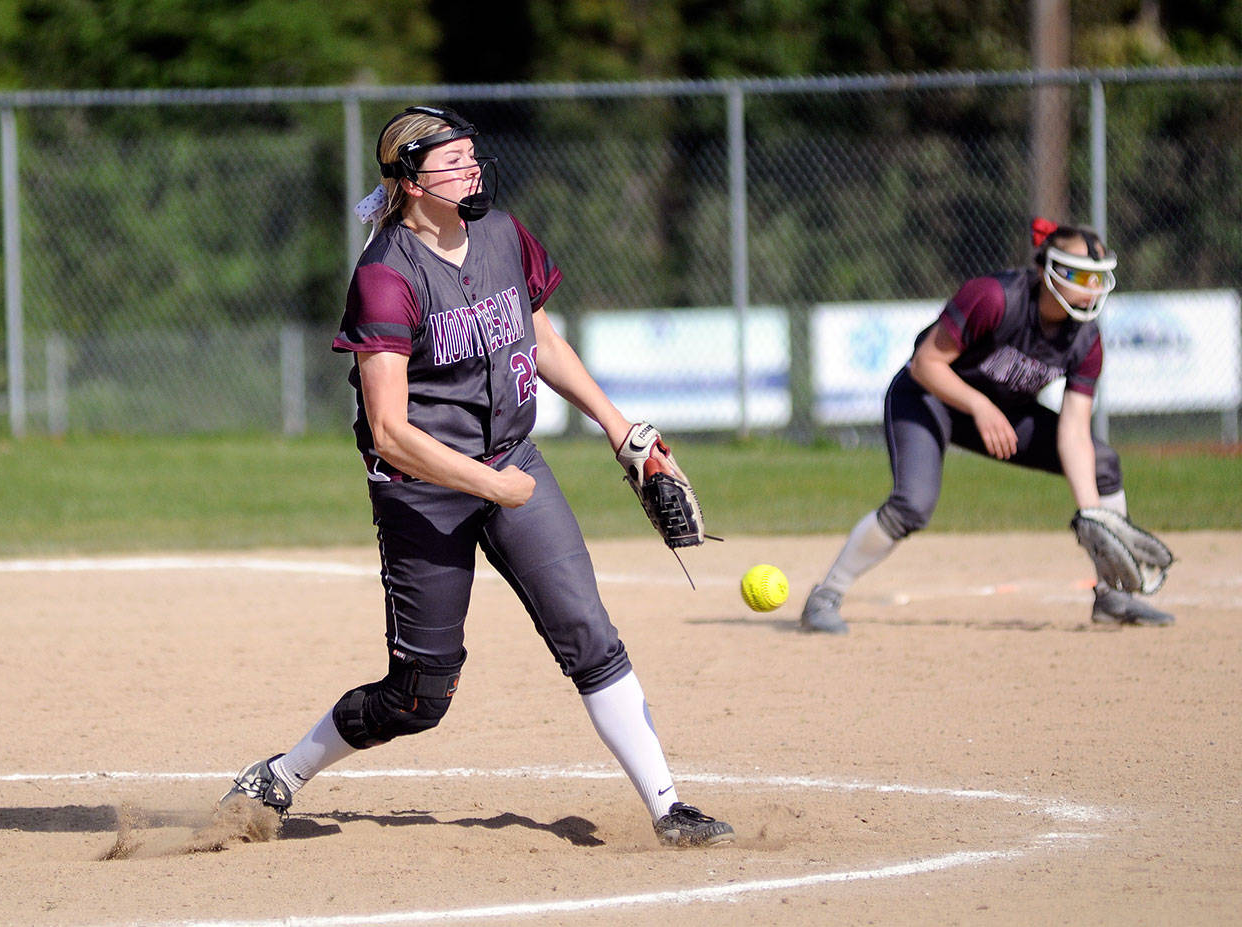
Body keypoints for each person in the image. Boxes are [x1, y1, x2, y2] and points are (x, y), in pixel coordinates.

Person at [220, 105, 733, 848]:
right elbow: (392, 431)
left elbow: (539, 335)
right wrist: (489, 489)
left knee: (588, 632)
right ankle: (284, 773)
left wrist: (618, 428)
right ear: (409, 181)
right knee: (418, 695)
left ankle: (669, 805)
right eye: (452, 163)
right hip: (425, 492)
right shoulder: (385, 275)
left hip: (514, 462)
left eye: (473, 158)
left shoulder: (501, 232)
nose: (471, 171)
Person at [800, 218, 1174, 634]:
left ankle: (1113, 597)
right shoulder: (996, 298)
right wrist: (979, 405)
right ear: (1048, 272)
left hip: (999, 415)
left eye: (1100, 279)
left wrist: (1092, 515)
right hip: (929, 397)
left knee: (1102, 462)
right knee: (912, 505)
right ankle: (826, 595)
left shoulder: (1086, 340)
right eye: (1083, 276)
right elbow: (925, 364)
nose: (1093, 289)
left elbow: (1074, 434)